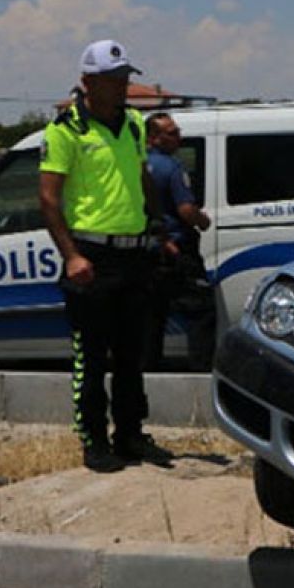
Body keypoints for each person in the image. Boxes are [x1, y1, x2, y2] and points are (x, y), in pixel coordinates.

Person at [37, 39, 172, 473]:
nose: (121, 87)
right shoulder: (66, 130)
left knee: (133, 354)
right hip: (92, 256)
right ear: (88, 82)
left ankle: (130, 434)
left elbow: (142, 176)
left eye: (124, 79)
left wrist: (158, 225)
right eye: (113, 80)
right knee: (91, 356)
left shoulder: (134, 124)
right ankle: (94, 440)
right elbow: (48, 199)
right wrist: (72, 256)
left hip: (135, 254)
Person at [144, 112, 213, 369]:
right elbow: (185, 210)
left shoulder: (134, 167)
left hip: (145, 253)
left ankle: (147, 373)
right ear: (154, 138)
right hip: (176, 251)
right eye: (172, 133)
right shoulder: (172, 168)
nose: (179, 137)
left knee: (151, 318)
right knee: (201, 310)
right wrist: (203, 220)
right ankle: (202, 373)